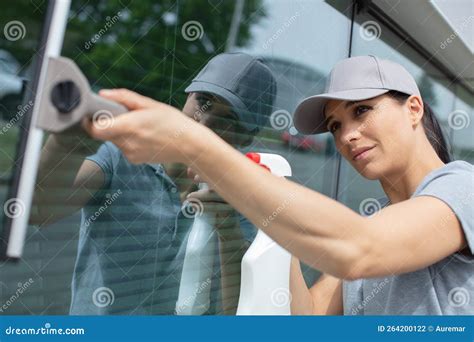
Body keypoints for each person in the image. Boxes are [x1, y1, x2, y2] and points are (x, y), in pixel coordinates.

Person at [84, 55, 473, 315]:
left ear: (414, 108)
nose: (348, 135)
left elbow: (359, 249)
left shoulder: (462, 187)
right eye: (336, 125)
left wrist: (196, 144)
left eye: (362, 111)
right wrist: (269, 214)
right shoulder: (379, 227)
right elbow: (305, 323)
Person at [31, 52, 277, 314]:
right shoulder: (121, 155)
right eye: (203, 101)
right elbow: (39, 211)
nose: (204, 122)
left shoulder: (242, 194)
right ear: (187, 97)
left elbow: (239, 312)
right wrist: (66, 142)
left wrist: (228, 230)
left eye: (228, 119)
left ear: (248, 138)